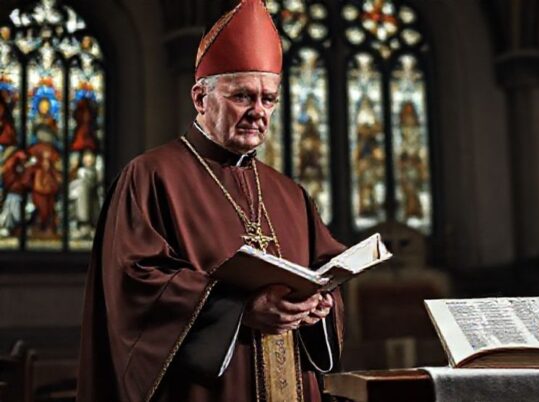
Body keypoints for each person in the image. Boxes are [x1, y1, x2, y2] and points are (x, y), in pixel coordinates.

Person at [77, 1, 345, 401]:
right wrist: (240, 309)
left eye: (269, 99)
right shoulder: (150, 177)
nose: (258, 112)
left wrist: (320, 306)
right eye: (243, 96)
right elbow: (134, 285)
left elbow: (326, 271)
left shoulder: (290, 193)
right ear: (201, 98)